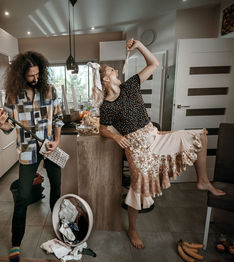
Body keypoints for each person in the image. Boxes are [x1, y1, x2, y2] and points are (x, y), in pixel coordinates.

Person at [88, 38, 225, 250]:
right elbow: (102, 128)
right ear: (105, 79)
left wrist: (140, 45)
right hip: (136, 150)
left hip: (154, 137)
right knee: (138, 190)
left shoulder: (131, 85)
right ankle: (132, 229)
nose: (115, 70)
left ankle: (203, 181)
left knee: (200, 135)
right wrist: (116, 137)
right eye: (111, 70)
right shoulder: (107, 106)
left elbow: (154, 64)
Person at [0, 51, 64, 262]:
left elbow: (59, 118)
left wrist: (57, 141)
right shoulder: (13, 96)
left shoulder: (50, 90)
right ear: (20, 75)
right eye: (31, 76)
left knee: (57, 191)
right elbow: (7, 125)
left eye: (38, 74)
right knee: (22, 197)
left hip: (49, 149)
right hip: (26, 151)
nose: (36, 79)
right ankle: (16, 242)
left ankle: (59, 232)